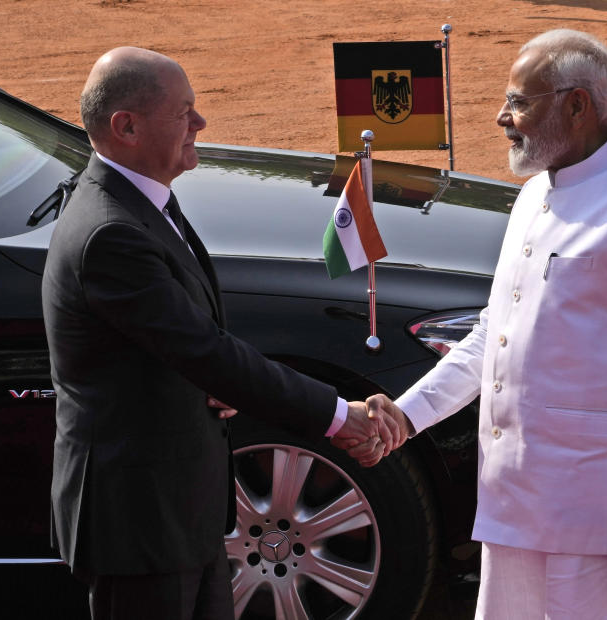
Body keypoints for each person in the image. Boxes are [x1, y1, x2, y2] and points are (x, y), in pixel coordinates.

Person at [354, 29, 607, 618]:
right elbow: (496, 333)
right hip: (521, 512)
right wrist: (408, 415)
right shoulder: (536, 193)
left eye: (518, 102)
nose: (501, 117)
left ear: (577, 105)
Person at [41, 47, 404, 620]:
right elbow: (205, 350)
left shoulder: (141, 202)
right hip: (139, 521)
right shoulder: (110, 233)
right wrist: (339, 416)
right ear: (126, 126)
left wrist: (214, 382)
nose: (200, 124)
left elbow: (184, 344)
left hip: (182, 512)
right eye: (183, 112)